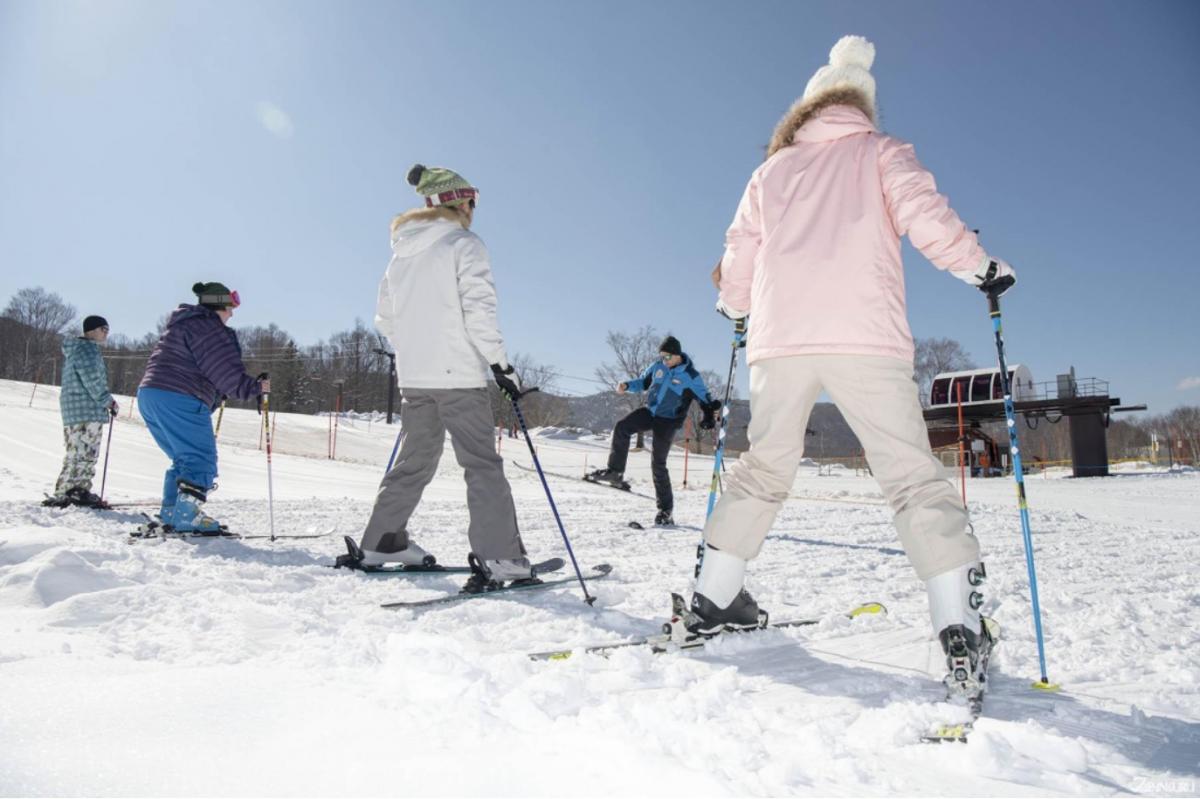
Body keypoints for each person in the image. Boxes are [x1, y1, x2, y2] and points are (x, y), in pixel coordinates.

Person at [695, 35, 1015, 699]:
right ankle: (958, 627)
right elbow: (928, 216)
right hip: (864, 335)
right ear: (861, 105)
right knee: (908, 473)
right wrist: (979, 266)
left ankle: (713, 596)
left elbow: (740, 251)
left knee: (763, 467)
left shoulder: (771, 172)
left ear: (807, 108)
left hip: (780, 343)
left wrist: (733, 308)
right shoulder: (882, 152)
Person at [354, 163, 536, 591]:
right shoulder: (463, 244)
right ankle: (502, 557)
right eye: (472, 201)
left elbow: (385, 319)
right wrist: (501, 366)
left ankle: (383, 542)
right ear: (457, 201)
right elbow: (479, 311)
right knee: (481, 464)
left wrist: (417, 354)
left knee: (414, 461)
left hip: (416, 378)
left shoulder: (400, 255)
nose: (474, 210)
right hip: (458, 376)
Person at [137, 282, 269, 532]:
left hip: (151, 395)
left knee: (184, 459)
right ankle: (187, 516)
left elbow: (202, 368)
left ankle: (171, 511)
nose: (232, 313)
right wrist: (254, 387)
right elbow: (224, 370)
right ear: (218, 304)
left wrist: (218, 393)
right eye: (231, 306)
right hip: (179, 397)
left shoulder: (183, 324)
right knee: (200, 459)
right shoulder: (209, 327)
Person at [587, 335, 718, 526]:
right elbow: (643, 382)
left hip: (669, 421)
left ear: (677, 355)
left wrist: (708, 416)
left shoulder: (690, 376)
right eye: (661, 356)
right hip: (651, 412)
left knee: (658, 463)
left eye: (666, 357)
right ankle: (615, 472)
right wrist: (627, 385)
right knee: (622, 427)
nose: (663, 360)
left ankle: (665, 510)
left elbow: (705, 399)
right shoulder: (658, 367)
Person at [44, 315, 118, 508]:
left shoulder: (75, 350)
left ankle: (66, 490)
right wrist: (108, 401)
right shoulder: (87, 350)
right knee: (86, 451)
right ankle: (78, 490)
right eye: (104, 329)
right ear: (92, 330)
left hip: (73, 410)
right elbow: (92, 380)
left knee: (75, 451)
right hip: (87, 409)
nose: (106, 333)